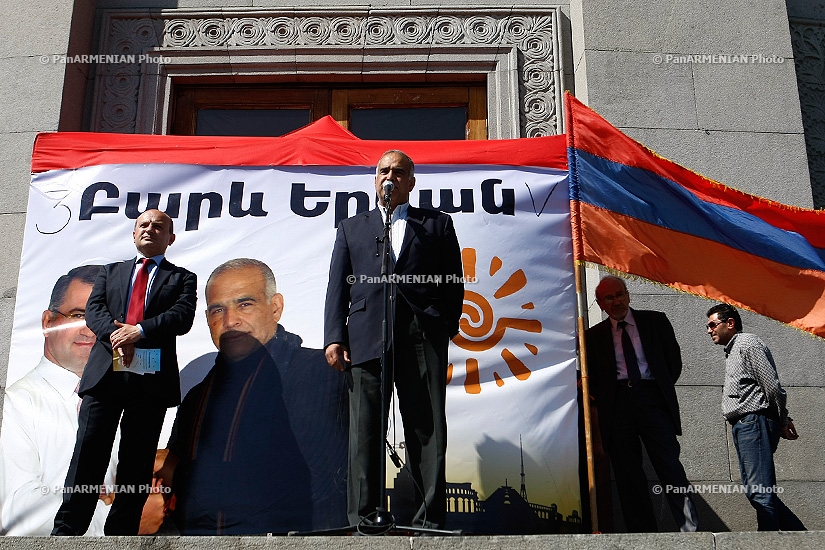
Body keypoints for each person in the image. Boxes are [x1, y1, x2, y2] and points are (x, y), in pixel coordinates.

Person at [154, 258, 348, 534]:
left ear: (275, 307)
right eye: (217, 309)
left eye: (245, 304)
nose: (230, 320)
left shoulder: (323, 372)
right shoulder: (197, 398)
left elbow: (330, 477)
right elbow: (179, 485)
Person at [324, 150, 464, 529]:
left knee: (426, 426)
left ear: (411, 182)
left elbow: (454, 283)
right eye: (384, 171)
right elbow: (338, 287)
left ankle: (428, 518)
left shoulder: (436, 224)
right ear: (375, 180)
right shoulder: (351, 228)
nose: (391, 177)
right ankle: (364, 518)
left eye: (399, 172)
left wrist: (442, 326)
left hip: (421, 337)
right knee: (365, 430)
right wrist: (335, 336)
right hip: (366, 337)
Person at [51, 209, 197, 536]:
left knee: (137, 461)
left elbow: (182, 317)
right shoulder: (109, 272)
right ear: (133, 235)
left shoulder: (183, 277)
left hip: (150, 379)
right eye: (143, 225)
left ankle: (122, 534)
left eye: (158, 227)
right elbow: (95, 311)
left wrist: (140, 332)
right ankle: (66, 531)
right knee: (88, 455)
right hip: (105, 377)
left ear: (169, 239)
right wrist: (118, 336)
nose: (150, 229)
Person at [0, 265, 117, 535]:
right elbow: (15, 511)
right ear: (48, 322)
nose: (91, 330)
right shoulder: (14, 405)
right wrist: (117, 518)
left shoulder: (124, 397)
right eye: (78, 315)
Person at [584, 276, 698, 532]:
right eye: (609, 298)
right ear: (600, 304)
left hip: (651, 400)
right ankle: (643, 535)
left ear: (628, 294)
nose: (617, 302)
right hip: (617, 407)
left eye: (620, 294)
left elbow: (673, 364)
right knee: (628, 475)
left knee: (669, 465)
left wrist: (657, 392)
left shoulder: (655, 322)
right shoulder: (592, 337)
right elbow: (591, 376)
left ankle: (690, 531)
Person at [706, 303, 805, 531]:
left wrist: (782, 419)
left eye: (713, 324)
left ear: (730, 323)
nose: (709, 330)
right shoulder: (733, 349)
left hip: (754, 422)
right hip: (745, 425)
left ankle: (769, 542)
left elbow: (772, 387)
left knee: (760, 492)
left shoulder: (748, 343)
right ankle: (804, 540)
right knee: (757, 491)